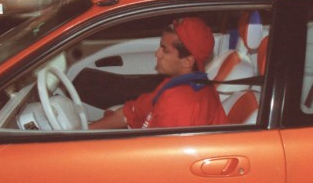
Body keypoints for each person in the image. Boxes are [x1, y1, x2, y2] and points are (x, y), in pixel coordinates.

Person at [90, 17, 229, 129]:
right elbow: (132, 112)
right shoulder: (177, 84)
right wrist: (87, 130)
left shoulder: (179, 104)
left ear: (187, 61)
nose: (157, 54)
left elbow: (163, 158)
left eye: (165, 50)